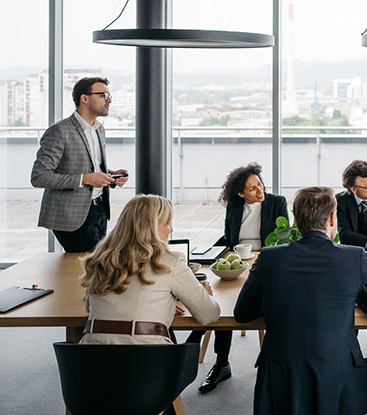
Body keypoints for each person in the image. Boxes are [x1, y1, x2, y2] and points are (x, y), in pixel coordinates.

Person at [234, 186, 367, 415]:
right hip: (336, 375)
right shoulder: (354, 258)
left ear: (296, 220)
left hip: (281, 378)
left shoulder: (269, 258)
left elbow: (242, 314)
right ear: (331, 218)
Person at [185, 163, 288, 394]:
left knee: (230, 301)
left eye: (259, 184)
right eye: (252, 189)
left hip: (266, 262)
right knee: (219, 299)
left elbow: (283, 240)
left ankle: (196, 346)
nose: (260, 191)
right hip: (237, 262)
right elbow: (229, 237)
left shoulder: (276, 202)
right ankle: (222, 364)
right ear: (241, 193)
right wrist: (206, 254)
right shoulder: (234, 206)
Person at [80, 194, 220, 345]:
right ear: (151, 226)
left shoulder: (100, 259)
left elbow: (90, 308)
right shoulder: (171, 261)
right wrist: (202, 294)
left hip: (91, 359)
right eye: (167, 223)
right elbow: (209, 315)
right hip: (148, 360)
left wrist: (163, 304)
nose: (171, 229)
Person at [31, 77, 129, 252]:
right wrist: (85, 179)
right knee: (89, 269)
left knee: (96, 267)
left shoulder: (99, 129)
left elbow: (92, 167)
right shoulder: (59, 131)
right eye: (104, 95)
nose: (109, 100)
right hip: (71, 216)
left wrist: (111, 176)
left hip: (99, 209)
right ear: (85, 98)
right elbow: (39, 177)